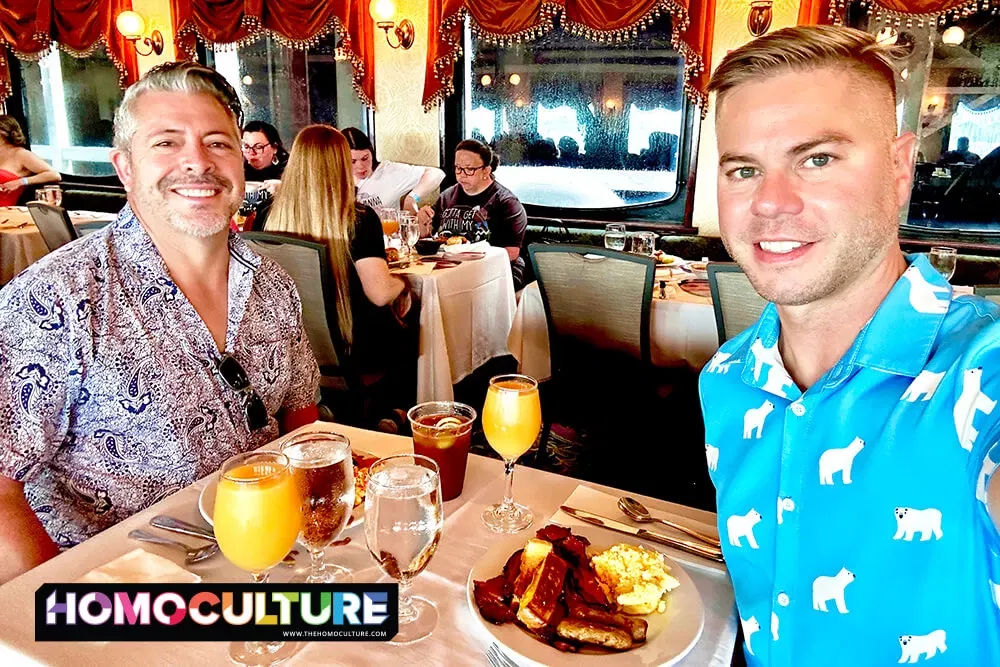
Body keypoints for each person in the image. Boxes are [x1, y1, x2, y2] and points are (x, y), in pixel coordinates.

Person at [699, 26, 1000, 666]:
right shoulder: (727, 377)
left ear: (899, 169)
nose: (771, 203)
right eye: (744, 169)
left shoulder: (983, 371)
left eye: (818, 159)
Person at [0, 62, 319, 584]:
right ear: (124, 167)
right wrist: (61, 615)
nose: (197, 162)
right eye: (166, 143)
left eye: (217, 143)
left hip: (270, 563)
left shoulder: (274, 282)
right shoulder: (56, 298)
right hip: (125, 596)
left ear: (242, 161)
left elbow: (302, 418)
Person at [263, 125, 415, 377]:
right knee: (412, 322)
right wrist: (402, 285)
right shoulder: (358, 220)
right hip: (352, 346)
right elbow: (379, 294)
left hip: (290, 346)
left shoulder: (266, 216)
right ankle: (396, 409)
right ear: (342, 165)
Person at [417, 139, 528, 289]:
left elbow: (511, 252)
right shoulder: (447, 196)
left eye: (469, 169)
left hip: (494, 272)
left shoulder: (506, 202)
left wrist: (469, 265)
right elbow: (430, 237)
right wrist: (422, 223)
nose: (462, 175)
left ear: (486, 171)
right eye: (458, 168)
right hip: (450, 267)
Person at [342, 127, 445, 214]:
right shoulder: (335, 180)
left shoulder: (387, 172)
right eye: (353, 161)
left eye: (365, 158)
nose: (361, 166)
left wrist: (412, 198)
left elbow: (436, 174)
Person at [0, 115, 60, 206]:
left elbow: (54, 175)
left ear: (3, 133)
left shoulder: (21, 154)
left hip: (5, 211)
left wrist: (21, 182)